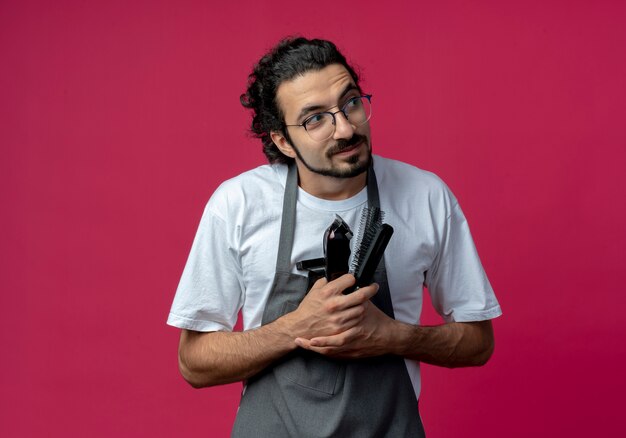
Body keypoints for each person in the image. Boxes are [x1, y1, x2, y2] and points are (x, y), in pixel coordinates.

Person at [167, 37, 502, 437]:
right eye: (315, 119)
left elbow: (478, 343)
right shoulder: (239, 204)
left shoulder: (425, 196)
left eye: (351, 104)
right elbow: (194, 363)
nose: (345, 128)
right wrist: (295, 327)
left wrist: (393, 337)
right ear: (282, 141)